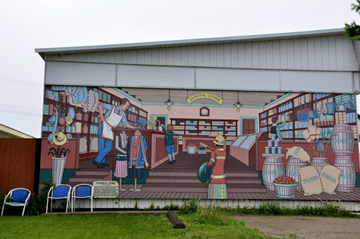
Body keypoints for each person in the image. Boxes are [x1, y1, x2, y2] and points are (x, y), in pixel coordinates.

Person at [93, 98, 135, 168]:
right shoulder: (111, 107)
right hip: (103, 125)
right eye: (126, 106)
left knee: (108, 147)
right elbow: (99, 105)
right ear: (123, 104)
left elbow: (125, 124)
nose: (127, 108)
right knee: (101, 145)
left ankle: (98, 160)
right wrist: (101, 116)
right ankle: (100, 161)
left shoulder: (122, 114)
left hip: (110, 129)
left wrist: (133, 128)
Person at [200, 135, 227, 199]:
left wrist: (205, 166)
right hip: (222, 177)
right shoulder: (224, 152)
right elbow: (215, 150)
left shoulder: (214, 152)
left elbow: (210, 163)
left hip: (214, 178)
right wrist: (205, 146)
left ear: (215, 144)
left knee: (213, 195)